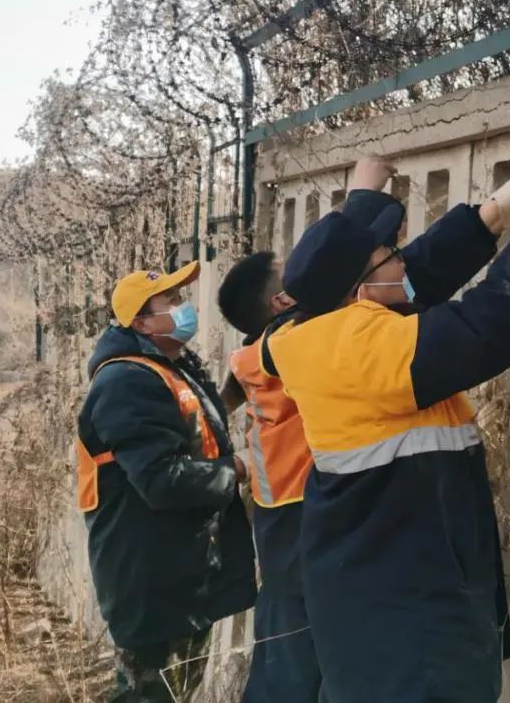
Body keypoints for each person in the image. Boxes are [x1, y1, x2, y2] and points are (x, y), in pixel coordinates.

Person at [264, 157, 510, 702]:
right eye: (388, 255)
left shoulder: (310, 333)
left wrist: (490, 217)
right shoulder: (360, 352)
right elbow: (486, 330)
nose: (399, 261)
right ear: (360, 291)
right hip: (407, 621)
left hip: (376, 600)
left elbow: (413, 277)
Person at [75, 262, 256, 702]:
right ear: (141, 322)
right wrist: (239, 469)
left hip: (178, 570)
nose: (184, 308)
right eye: (171, 302)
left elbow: (189, 430)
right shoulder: (126, 381)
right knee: (151, 695)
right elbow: (161, 479)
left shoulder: (164, 367)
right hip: (153, 578)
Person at [217, 251, 320, 702]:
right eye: (289, 269)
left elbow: (229, 395)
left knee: (286, 629)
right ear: (281, 301)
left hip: (277, 502)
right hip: (298, 502)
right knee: (295, 636)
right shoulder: (292, 342)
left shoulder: (253, 353)